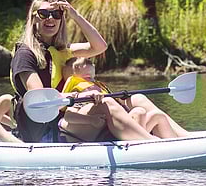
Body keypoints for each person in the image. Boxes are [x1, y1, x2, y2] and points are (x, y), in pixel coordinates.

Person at [9, 0, 108, 142]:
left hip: (67, 121)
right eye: (44, 14)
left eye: (56, 14)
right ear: (33, 18)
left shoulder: (62, 51)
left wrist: (74, 15)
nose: (50, 18)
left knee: (136, 102)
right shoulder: (25, 54)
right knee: (107, 106)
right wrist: (80, 96)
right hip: (44, 131)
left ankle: (144, 138)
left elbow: (99, 46)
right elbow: (39, 96)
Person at [59, 57, 188, 142]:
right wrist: (91, 120)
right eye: (86, 78)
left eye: (91, 78)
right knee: (107, 102)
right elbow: (69, 116)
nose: (90, 81)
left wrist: (121, 98)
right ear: (76, 76)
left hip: (110, 129)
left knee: (151, 114)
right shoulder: (77, 91)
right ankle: (151, 142)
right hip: (84, 131)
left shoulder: (100, 88)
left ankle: (180, 141)